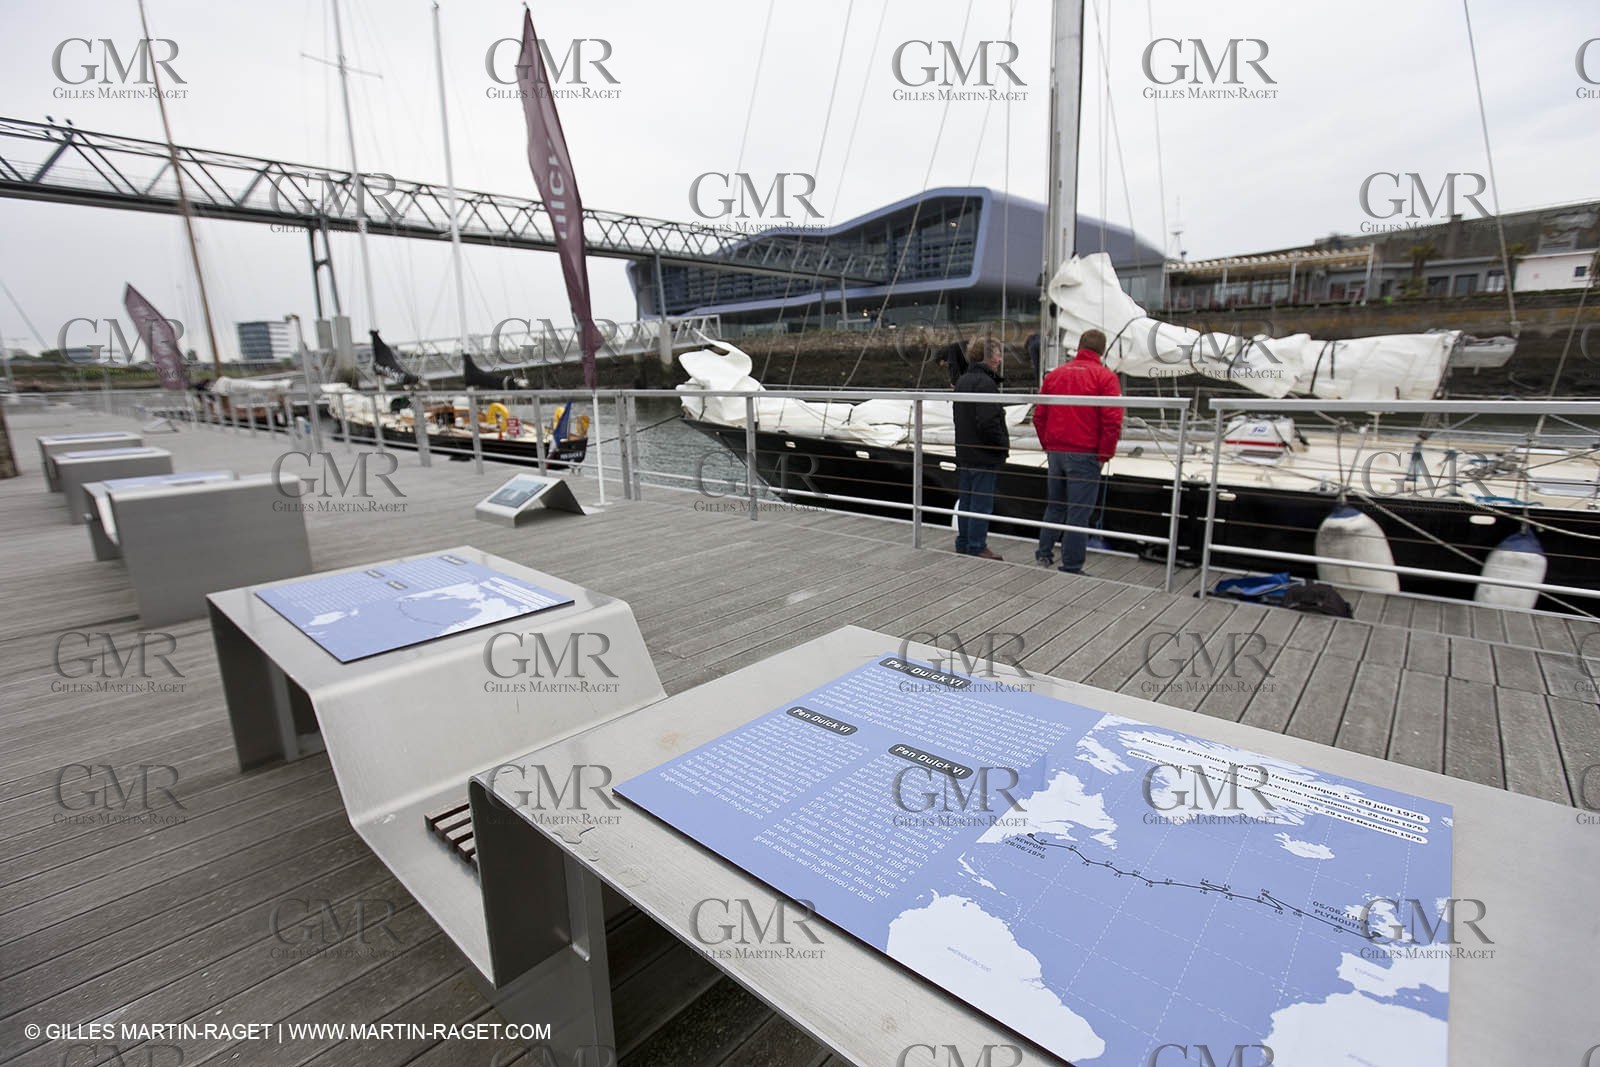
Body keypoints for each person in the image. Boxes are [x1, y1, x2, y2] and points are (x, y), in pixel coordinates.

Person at [1032, 328, 1122, 573]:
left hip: (1056, 451)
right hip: (1084, 452)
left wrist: (1047, 444)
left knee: (1055, 506)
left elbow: (1039, 416)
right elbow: (1112, 420)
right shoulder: (1105, 378)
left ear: (1079, 347)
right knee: (1078, 513)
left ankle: (1044, 554)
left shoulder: (1054, 376)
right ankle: (1071, 565)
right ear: (1102, 351)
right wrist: (1105, 454)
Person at [953, 338, 1008, 559]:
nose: (1000, 359)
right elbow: (988, 422)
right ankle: (976, 545)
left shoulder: (963, 381)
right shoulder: (985, 383)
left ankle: (964, 541)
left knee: (967, 500)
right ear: (988, 357)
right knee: (981, 503)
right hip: (983, 452)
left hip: (966, 450)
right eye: (997, 354)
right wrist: (1002, 443)